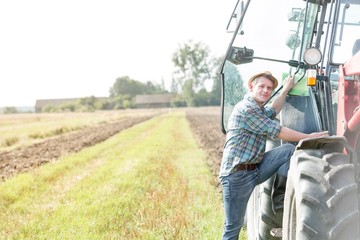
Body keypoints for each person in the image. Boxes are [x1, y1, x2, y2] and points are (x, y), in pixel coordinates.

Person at [219, 71, 329, 240]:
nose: (265, 91)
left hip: (255, 170)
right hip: (237, 176)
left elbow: (274, 110)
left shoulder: (258, 109)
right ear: (251, 86)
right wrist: (310, 137)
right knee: (233, 226)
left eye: (269, 88)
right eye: (261, 86)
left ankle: (280, 198)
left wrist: (285, 90)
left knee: (286, 151)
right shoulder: (247, 109)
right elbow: (278, 131)